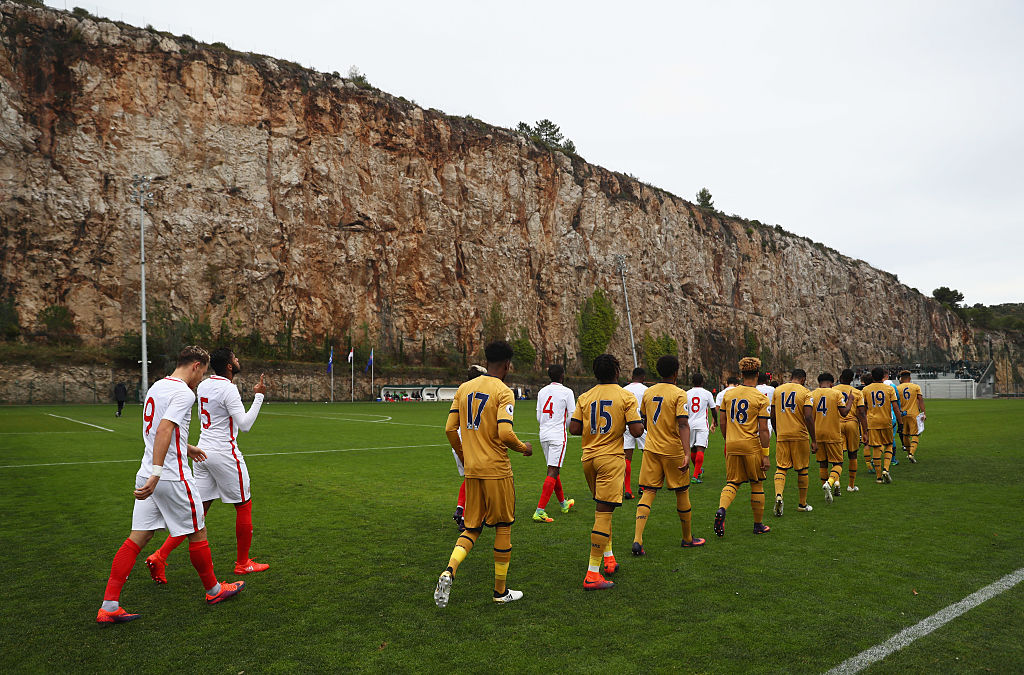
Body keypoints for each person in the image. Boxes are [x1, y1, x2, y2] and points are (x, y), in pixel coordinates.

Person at [96, 346, 245, 624]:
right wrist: (158, 472)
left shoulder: (156, 387)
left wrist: (185, 448)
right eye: (202, 373)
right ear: (197, 366)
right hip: (170, 476)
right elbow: (164, 428)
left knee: (137, 538)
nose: (201, 380)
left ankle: (109, 604)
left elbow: (156, 432)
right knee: (198, 531)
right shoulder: (183, 393)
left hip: (147, 472)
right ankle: (214, 590)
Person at [145, 348, 269, 582]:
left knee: (197, 514)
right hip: (224, 453)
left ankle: (160, 556)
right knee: (244, 505)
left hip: (202, 453)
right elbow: (244, 425)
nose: (238, 360)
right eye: (235, 358)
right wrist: (259, 396)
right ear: (230, 366)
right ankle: (243, 563)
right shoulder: (228, 388)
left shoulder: (204, 385)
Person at [434, 341, 533, 607]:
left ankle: (449, 570)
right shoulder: (504, 391)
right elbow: (505, 433)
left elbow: (449, 429)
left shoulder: (464, 388)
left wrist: (466, 457)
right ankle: (500, 592)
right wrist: (524, 448)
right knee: (503, 526)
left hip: (473, 470)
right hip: (497, 470)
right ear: (507, 364)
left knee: (472, 527)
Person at [569, 354, 644, 591]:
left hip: (588, 458)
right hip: (610, 459)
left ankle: (609, 559)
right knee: (603, 513)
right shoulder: (625, 396)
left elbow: (574, 428)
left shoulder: (585, 396)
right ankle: (592, 573)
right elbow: (635, 431)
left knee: (604, 509)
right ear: (617, 371)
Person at [631, 355, 704, 555]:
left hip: (651, 449)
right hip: (673, 451)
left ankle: (637, 540)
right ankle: (688, 538)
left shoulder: (648, 392)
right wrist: (687, 453)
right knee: (682, 492)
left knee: (648, 492)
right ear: (676, 372)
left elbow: (644, 420)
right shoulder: (680, 394)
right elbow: (682, 423)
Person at [714, 357, 772, 537]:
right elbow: (763, 429)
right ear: (757, 374)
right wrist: (766, 454)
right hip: (751, 445)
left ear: (741, 374)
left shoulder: (728, 394)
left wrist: (728, 439)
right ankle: (758, 525)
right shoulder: (760, 398)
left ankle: (722, 509)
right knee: (756, 483)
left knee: (732, 482)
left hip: (732, 444)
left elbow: (722, 421)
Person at [533, 364, 576, 522]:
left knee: (553, 469)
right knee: (553, 470)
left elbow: (538, 417)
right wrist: (562, 424)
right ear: (562, 375)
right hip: (558, 435)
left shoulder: (542, 391)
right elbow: (571, 417)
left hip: (543, 434)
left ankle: (563, 503)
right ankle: (540, 510)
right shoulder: (567, 392)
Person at [770, 369, 814, 515]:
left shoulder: (778, 390)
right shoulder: (806, 392)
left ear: (791, 377)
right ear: (803, 379)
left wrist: (777, 433)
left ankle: (778, 495)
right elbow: (808, 416)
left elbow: (773, 415)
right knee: (802, 470)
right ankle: (802, 504)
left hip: (782, 434)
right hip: (799, 435)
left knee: (781, 467)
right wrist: (814, 439)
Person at [452, 364, 488, 531]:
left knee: (469, 478)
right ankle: (466, 518)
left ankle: (460, 508)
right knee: (478, 482)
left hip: (458, 442)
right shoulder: (481, 395)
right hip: (471, 444)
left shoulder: (462, 392)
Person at [808, 373, 853, 505]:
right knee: (838, 463)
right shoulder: (836, 393)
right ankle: (830, 483)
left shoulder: (812, 394)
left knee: (823, 463)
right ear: (832, 383)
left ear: (819, 383)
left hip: (818, 433)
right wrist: (850, 400)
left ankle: (827, 490)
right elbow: (844, 412)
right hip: (832, 433)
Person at [862, 367, 904, 484]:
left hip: (872, 422)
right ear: (883, 377)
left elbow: (863, 409)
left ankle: (879, 477)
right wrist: (900, 422)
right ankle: (886, 469)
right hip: (886, 421)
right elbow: (895, 407)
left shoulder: (866, 390)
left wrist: (863, 424)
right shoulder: (889, 389)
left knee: (875, 447)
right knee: (889, 445)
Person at [835, 369, 868, 492]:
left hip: (837, 424)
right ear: (852, 379)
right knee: (852, 454)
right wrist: (865, 432)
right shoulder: (857, 393)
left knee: (838, 455)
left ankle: (836, 481)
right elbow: (861, 412)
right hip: (852, 424)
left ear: (840, 377)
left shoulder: (833, 390)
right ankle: (851, 485)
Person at [685, 373, 717, 484]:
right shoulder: (707, 394)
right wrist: (715, 421)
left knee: (693, 449)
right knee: (700, 448)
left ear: (692, 382)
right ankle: (695, 476)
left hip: (689, 424)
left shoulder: (686, 394)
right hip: (702, 424)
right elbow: (713, 409)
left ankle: (697, 471)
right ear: (702, 382)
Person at [622, 367, 648, 499]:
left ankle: (627, 489)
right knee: (647, 455)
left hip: (626, 425)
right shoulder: (646, 390)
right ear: (643, 377)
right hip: (640, 424)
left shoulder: (623, 390)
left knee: (627, 457)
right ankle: (643, 486)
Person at [896, 370, 926, 463]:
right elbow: (920, 399)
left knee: (905, 435)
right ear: (910, 378)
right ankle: (911, 454)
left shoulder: (897, 388)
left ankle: (908, 453)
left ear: (901, 378)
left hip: (903, 414)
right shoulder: (916, 387)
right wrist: (923, 413)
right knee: (916, 434)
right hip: (914, 414)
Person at [755, 373, 776, 438]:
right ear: (766, 380)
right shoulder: (772, 389)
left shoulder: (754, 389)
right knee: (765, 442)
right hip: (768, 417)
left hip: (755, 417)